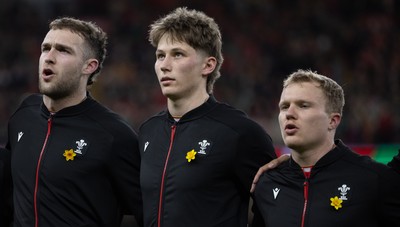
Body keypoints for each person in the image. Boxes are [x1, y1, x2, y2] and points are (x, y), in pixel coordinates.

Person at [138, 7, 277, 227]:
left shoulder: (239, 132)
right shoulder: (148, 131)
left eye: (178, 54)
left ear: (208, 65)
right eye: (160, 55)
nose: (164, 65)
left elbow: (280, 208)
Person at [5, 17, 143, 227]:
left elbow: (151, 212)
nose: (49, 57)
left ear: (89, 66)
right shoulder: (23, 116)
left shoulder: (114, 135)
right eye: (46, 48)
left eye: (63, 50)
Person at [253, 69, 400, 226]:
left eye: (303, 105)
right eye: (284, 106)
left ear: (333, 120)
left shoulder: (373, 179)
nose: (289, 113)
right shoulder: (268, 183)